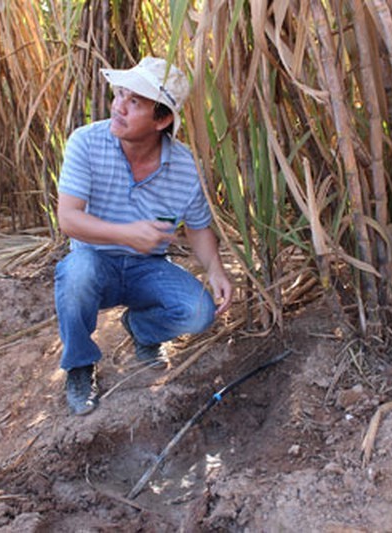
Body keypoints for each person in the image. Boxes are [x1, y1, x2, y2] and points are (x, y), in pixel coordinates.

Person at [54, 57, 233, 416]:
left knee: (199, 312)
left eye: (135, 102)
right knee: (76, 274)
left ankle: (142, 330)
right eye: (120, 94)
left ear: (162, 119)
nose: (119, 106)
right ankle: (79, 366)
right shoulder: (86, 142)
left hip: (147, 268)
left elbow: (197, 227)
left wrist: (216, 269)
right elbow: (68, 219)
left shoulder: (185, 167)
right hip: (95, 263)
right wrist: (125, 234)